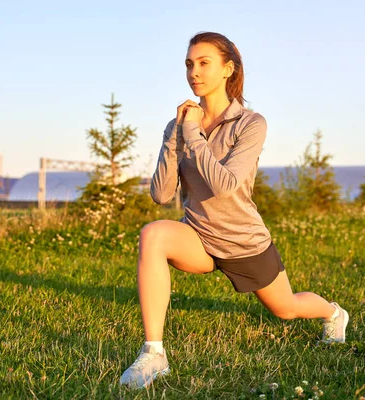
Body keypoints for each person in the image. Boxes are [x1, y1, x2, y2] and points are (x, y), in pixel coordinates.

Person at [120, 31, 349, 389]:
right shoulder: (179, 127)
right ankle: (154, 354)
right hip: (198, 236)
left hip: (244, 242)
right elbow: (161, 195)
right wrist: (173, 138)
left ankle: (334, 312)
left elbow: (225, 186)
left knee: (285, 308)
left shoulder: (251, 124)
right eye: (189, 64)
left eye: (204, 63)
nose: (194, 72)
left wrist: (193, 134)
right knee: (153, 234)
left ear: (228, 69)